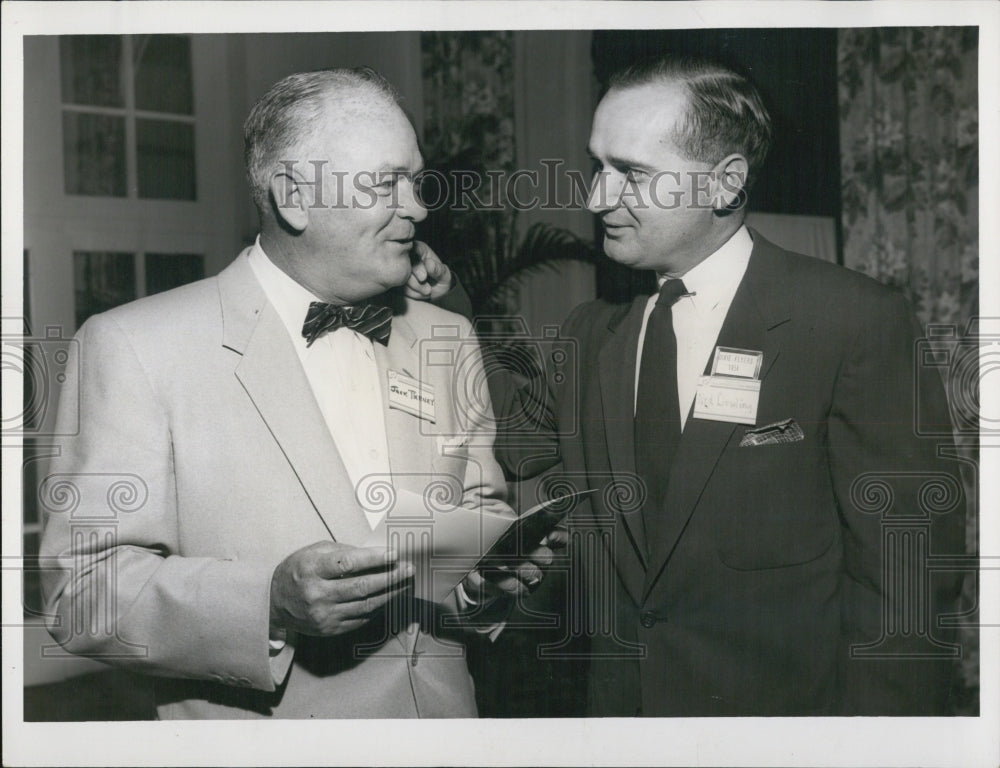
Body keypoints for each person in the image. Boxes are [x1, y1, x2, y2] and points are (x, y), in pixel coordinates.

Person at [425, 55, 967, 716]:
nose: (598, 199)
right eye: (598, 167)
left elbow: (905, 586)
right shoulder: (592, 330)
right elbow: (512, 442)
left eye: (632, 173)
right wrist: (446, 306)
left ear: (724, 183)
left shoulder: (850, 321)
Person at [39, 67, 550, 719]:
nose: (419, 209)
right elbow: (80, 594)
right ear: (293, 197)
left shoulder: (445, 335)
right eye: (385, 183)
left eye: (414, 182)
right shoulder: (135, 347)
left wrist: (482, 582)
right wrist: (269, 602)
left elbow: (475, 517)